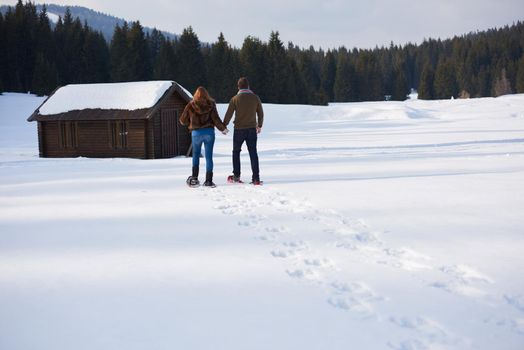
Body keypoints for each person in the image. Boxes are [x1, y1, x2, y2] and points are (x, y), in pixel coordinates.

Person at [179, 86, 228, 188]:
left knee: (196, 155)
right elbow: (216, 119)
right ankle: (209, 181)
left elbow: (182, 120)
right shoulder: (211, 105)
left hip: (196, 133)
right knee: (209, 157)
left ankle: (194, 178)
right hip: (209, 133)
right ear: (207, 94)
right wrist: (223, 129)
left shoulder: (191, 105)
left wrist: (190, 123)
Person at [223, 77, 264, 185]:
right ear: (248, 86)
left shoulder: (235, 99)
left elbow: (229, 114)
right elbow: (260, 113)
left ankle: (236, 176)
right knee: (253, 153)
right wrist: (259, 125)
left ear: (238, 87)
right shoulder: (255, 98)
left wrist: (224, 126)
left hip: (239, 130)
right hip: (251, 130)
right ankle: (256, 178)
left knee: (236, 152)